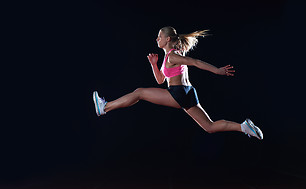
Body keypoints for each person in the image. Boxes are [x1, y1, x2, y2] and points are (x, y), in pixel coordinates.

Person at [93, 26, 263, 140]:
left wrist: (217, 70)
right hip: (188, 92)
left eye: (160, 36)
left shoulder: (173, 56)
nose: (156, 39)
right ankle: (243, 127)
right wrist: (153, 64)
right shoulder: (170, 56)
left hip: (178, 93)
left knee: (139, 92)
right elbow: (160, 80)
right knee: (209, 126)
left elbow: (195, 62)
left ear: (168, 39)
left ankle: (105, 107)